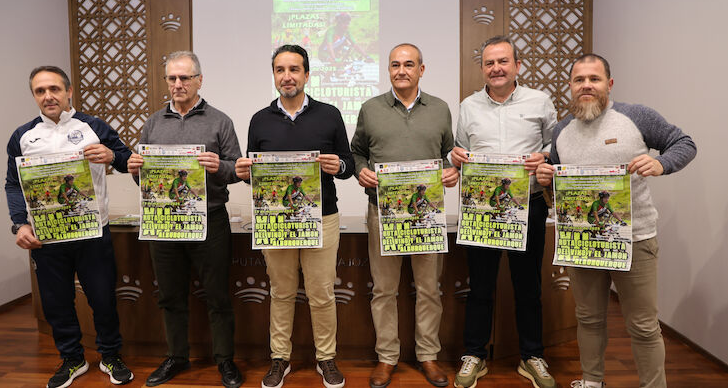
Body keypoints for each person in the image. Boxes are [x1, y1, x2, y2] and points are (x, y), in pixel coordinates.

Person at [535, 53, 696, 388]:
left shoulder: (636, 116)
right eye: (579, 80)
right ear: (570, 86)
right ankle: (592, 381)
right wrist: (547, 178)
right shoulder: (562, 130)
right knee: (588, 318)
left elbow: (684, 143)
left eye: (594, 79)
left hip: (634, 240)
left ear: (609, 84)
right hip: (583, 241)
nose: (586, 86)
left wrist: (661, 164)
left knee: (643, 325)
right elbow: (561, 187)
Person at [5, 66, 134, 388]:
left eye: (54, 89)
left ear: (69, 91)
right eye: (40, 91)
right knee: (56, 302)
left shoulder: (94, 126)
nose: (48, 96)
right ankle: (72, 358)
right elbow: (13, 184)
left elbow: (128, 161)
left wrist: (110, 155)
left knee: (102, 299)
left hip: (93, 233)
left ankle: (110, 355)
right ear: (34, 95)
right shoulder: (23, 136)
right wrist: (19, 224)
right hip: (47, 236)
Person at [235, 44, 355, 388]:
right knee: (281, 292)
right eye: (280, 70)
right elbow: (255, 174)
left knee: (322, 293)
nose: (287, 76)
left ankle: (326, 358)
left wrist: (338, 165)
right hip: (276, 221)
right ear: (274, 75)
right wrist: (244, 173)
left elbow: (348, 165)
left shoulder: (329, 114)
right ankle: (279, 358)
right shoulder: (259, 119)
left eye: (294, 69)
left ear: (306, 74)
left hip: (322, 218)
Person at [127, 51, 243, 388]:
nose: (178, 84)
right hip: (164, 222)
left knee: (217, 295)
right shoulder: (153, 123)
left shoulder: (220, 121)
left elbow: (237, 169)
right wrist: (135, 171)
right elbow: (146, 179)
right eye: (172, 78)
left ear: (199, 80)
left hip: (210, 220)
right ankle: (176, 357)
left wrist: (218, 166)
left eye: (185, 78)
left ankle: (225, 360)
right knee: (169, 295)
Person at [450, 36, 557, 388]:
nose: (496, 68)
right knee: (480, 286)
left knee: (528, 285)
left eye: (503, 61)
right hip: (482, 208)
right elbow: (460, 150)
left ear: (517, 66)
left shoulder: (539, 101)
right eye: (489, 63)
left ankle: (532, 356)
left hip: (529, 205)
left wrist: (546, 156)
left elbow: (555, 146)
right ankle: (475, 355)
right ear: (482, 68)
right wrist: (455, 156)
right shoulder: (468, 106)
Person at [351, 43, 458, 388]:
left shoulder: (440, 109)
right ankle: (387, 358)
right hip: (383, 212)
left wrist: (451, 171)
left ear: (421, 70)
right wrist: (361, 170)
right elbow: (357, 152)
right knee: (384, 289)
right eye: (395, 65)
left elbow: (448, 153)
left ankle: (428, 355)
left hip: (427, 215)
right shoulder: (371, 109)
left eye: (409, 64)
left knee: (429, 288)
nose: (401, 71)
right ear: (388, 70)